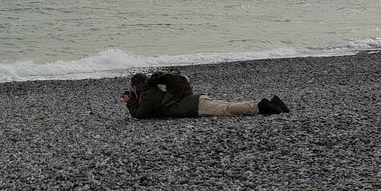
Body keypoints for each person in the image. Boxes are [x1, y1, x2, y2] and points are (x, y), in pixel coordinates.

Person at [122, 71, 290, 119]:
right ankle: (273, 103)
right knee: (227, 105)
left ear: (137, 87)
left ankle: (261, 106)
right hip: (197, 100)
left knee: (227, 110)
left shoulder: (150, 95)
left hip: (196, 106)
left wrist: (130, 102)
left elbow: (140, 115)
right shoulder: (154, 91)